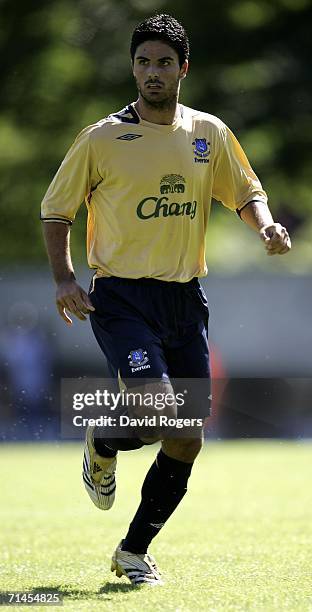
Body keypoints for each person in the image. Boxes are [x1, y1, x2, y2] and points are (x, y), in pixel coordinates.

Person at [41, 14, 291, 586]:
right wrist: (64, 279)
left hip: (185, 300)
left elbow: (246, 190)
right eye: (142, 62)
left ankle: (132, 550)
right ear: (133, 68)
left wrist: (265, 226)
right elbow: (57, 210)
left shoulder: (209, 133)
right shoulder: (101, 138)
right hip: (122, 297)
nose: (152, 72)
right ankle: (104, 437)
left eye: (163, 62)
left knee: (187, 436)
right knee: (158, 412)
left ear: (183, 68)